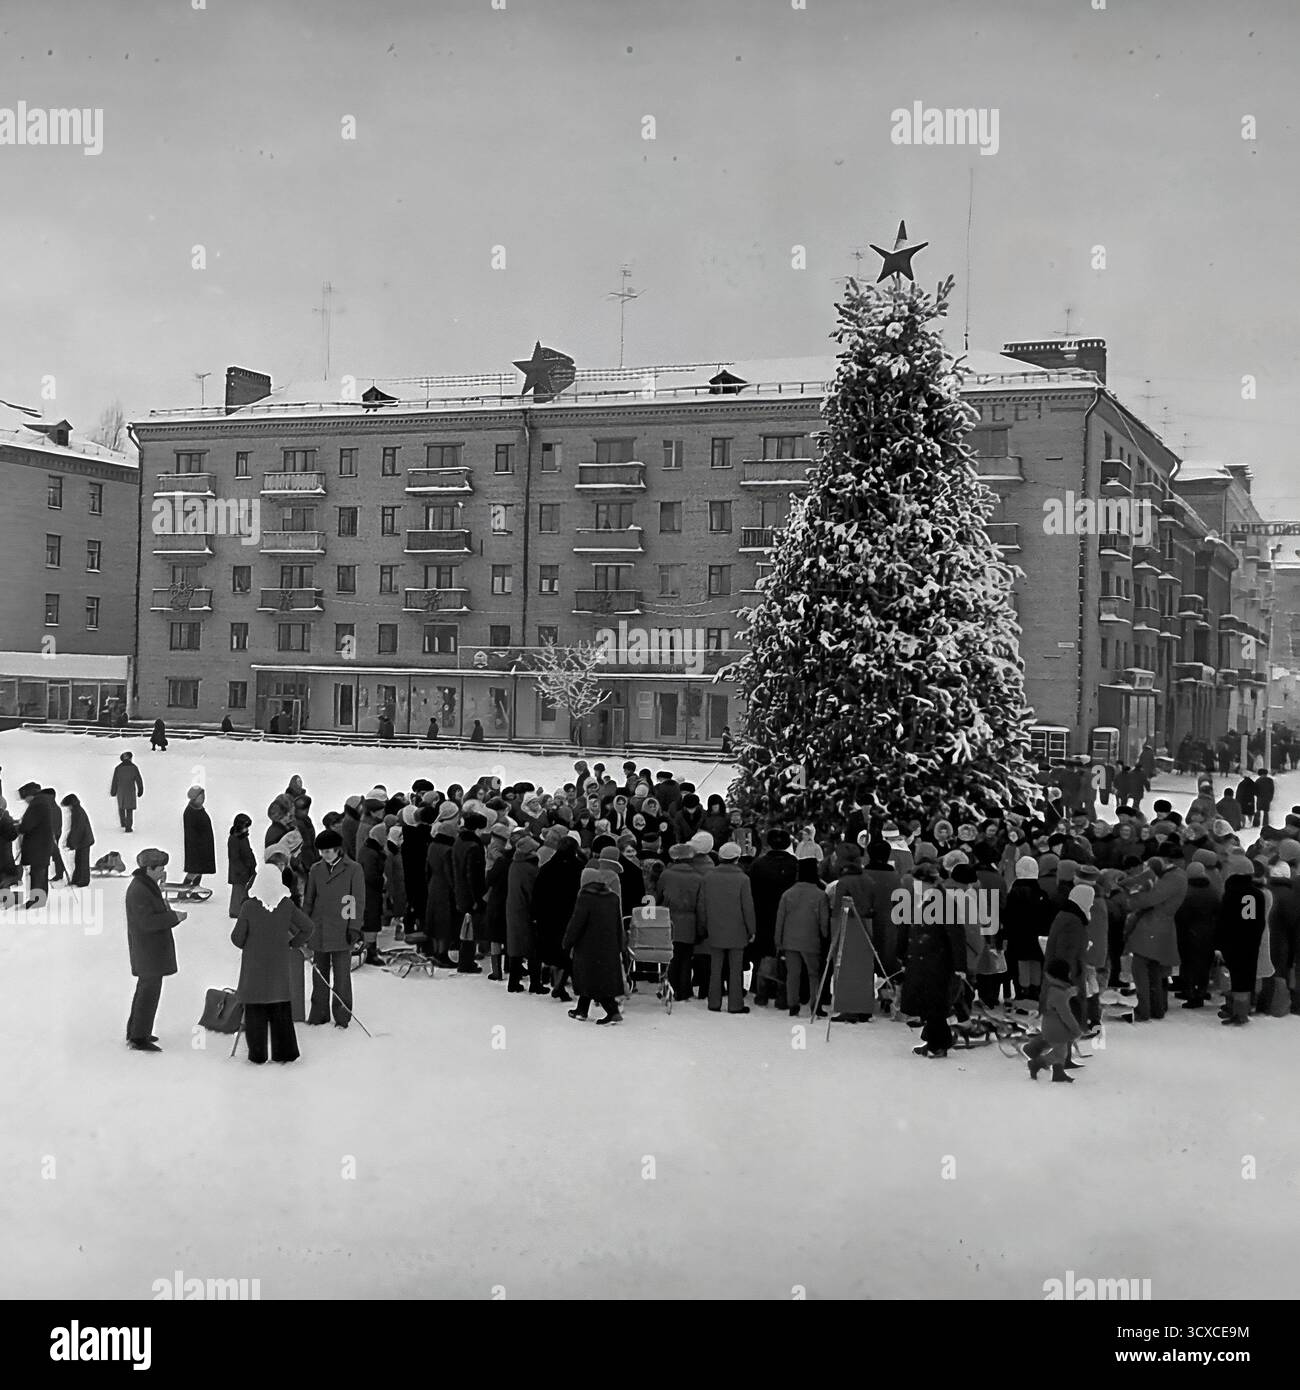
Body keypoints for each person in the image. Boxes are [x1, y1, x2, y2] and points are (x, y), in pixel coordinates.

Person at [231, 863, 314, 1063]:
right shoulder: (286, 905)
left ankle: (258, 1054)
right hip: (278, 966)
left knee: (255, 1011)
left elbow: (237, 938)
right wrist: (293, 943)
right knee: (280, 1010)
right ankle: (285, 1053)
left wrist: (249, 944)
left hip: (253, 968)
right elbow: (308, 927)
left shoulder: (249, 907)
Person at [899, 864, 965, 1058]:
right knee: (926, 1004)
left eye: (918, 882)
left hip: (937, 961)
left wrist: (960, 966)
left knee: (934, 1004)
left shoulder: (944, 902)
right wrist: (902, 954)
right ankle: (934, 1041)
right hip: (920, 960)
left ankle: (939, 1044)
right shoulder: (918, 899)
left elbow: (956, 934)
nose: (916, 885)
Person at [125, 848, 187, 1051]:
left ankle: (137, 1031)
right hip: (148, 950)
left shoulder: (147, 885)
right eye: (160, 869)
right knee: (148, 993)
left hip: (150, 950)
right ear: (149, 869)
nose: (163, 872)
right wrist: (173, 917)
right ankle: (138, 1037)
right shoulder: (139, 890)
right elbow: (147, 922)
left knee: (147, 991)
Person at [303, 829, 365, 1026]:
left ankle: (342, 1014)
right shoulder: (315, 869)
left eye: (328, 851)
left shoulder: (353, 869)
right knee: (319, 974)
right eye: (321, 851)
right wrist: (305, 925)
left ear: (338, 850)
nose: (324, 855)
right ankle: (319, 1013)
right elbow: (309, 900)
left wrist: (354, 927)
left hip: (341, 929)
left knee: (341, 976)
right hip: (319, 928)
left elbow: (355, 900)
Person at [562, 859, 627, 1024]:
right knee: (594, 978)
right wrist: (621, 944)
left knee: (593, 980)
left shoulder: (585, 897)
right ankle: (581, 1010)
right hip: (609, 946)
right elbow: (617, 923)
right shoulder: (612, 897)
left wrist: (567, 942)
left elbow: (577, 922)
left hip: (588, 946)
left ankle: (613, 1012)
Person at [1125, 855, 1186, 1022]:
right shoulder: (1175, 878)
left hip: (1151, 928)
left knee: (1140, 970)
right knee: (1154, 971)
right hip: (1161, 928)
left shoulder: (1167, 882)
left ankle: (1143, 1010)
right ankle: (1157, 1008)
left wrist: (1131, 900)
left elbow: (1148, 899)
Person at [700, 840, 755, 1013]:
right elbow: (748, 907)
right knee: (735, 969)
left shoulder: (708, 877)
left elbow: (702, 905)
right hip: (737, 930)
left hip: (715, 928)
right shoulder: (743, 879)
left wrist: (704, 926)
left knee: (715, 967)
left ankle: (714, 1002)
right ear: (737, 859)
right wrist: (751, 929)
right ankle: (735, 1004)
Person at [774, 855, 829, 1017]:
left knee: (793, 974)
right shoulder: (820, 895)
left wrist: (779, 941)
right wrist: (825, 936)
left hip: (790, 941)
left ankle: (793, 1004)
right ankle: (815, 1004)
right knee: (813, 974)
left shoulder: (788, 894)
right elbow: (823, 922)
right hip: (811, 941)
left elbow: (780, 920)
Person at [656, 842, 707, 1003]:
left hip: (668, 919)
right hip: (690, 921)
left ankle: (670, 987)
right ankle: (684, 990)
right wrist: (701, 928)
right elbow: (701, 906)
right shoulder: (698, 878)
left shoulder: (666, 875)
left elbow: (659, 897)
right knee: (685, 957)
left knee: (671, 957)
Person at [1023, 958, 1084, 1084]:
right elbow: (1066, 1015)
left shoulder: (1054, 989)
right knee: (1059, 1054)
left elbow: (1060, 998)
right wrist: (1076, 1029)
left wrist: (1070, 992)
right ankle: (1036, 1063)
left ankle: (1056, 1071)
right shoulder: (1059, 993)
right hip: (1058, 1029)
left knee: (1058, 1050)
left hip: (1050, 1026)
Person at [505, 834, 544, 992]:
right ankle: (535, 983)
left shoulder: (515, 864)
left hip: (513, 908)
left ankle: (513, 982)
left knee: (515, 946)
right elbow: (532, 893)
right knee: (533, 948)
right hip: (526, 911)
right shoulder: (530, 869)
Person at [16, 782, 55, 909]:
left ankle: (36, 900)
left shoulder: (37, 804)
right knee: (41, 873)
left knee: (37, 873)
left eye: (25, 798)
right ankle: (40, 899)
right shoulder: (43, 801)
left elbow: (26, 825)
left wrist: (18, 826)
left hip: (38, 846)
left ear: (29, 795)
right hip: (43, 845)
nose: (25, 801)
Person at [180, 785, 215, 899]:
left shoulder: (198, 808)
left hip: (203, 845)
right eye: (201, 796)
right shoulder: (190, 812)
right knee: (194, 870)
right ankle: (182, 891)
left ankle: (194, 890)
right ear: (194, 798)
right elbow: (192, 833)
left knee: (199, 870)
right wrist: (199, 846)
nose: (203, 798)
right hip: (196, 847)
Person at [60, 792, 94, 888]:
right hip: (84, 840)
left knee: (82, 861)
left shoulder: (77, 813)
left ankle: (83, 880)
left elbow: (77, 829)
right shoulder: (78, 810)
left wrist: (72, 842)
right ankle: (77, 879)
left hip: (83, 840)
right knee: (79, 860)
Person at [226, 813, 257, 918]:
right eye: (245, 827)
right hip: (238, 871)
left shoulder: (243, 837)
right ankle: (235, 910)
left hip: (245, 868)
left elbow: (248, 850)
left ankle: (242, 908)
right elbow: (234, 858)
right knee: (238, 891)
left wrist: (252, 863)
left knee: (243, 890)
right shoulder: (234, 839)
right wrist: (242, 869)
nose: (247, 829)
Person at [109, 752, 143, 833]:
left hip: (120, 790)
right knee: (129, 808)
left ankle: (123, 823)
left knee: (121, 806)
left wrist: (113, 791)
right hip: (130, 790)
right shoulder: (134, 768)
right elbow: (138, 780)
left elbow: (115, 781)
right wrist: (140, 790)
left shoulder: (118, 768)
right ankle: (128, 827)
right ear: (130, 758)